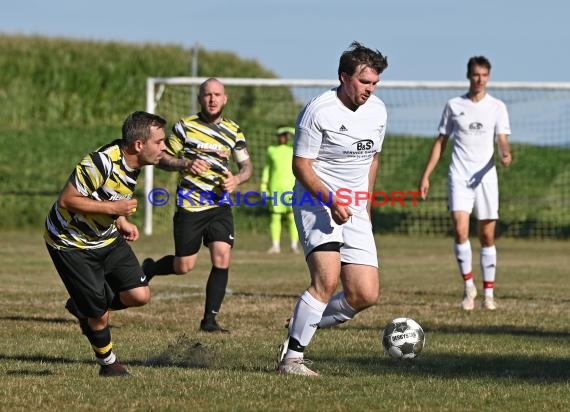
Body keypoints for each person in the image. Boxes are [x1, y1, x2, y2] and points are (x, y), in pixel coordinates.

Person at [277, 41, 389, 376]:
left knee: (364, 294)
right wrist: (330, 200)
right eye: (364, 82)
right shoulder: (318, 111)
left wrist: (364, 202)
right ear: (344, 77)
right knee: (326, 280)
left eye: (375, 83)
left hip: (354, 208)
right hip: (317, 201)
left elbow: (373, 158)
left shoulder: (379, 111)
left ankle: (301, 325)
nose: (370, 89)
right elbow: (301, 166)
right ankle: (292, 360)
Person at [44, 111, 167, 377]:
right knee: (99, 316)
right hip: (71, 242)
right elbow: (67, 199)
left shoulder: (133, 163)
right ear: (138, 145)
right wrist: (114, 208)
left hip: (106, 236)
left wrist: (120, 219)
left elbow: (110, 192)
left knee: (139, 295)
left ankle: (84, 306)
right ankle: (109, 364)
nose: (164, 147)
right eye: (159, 142)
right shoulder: (100, 163)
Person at [142, 77, 253, 333]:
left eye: (217, 94)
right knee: (184, 266)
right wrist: (185, 164)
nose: (212, 99)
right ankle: (150, 268)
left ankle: (209, 320)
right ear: (199, 98)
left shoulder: (234, 130)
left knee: (222, 257)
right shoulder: (184, 127)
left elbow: (246, 166)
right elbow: (161, 158)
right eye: (207, 94)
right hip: (190, 206)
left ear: (225, 99)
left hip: (219, 205)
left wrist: (237, 179)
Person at [418, 56, 512, 311]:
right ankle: (469, 288)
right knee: (461, 231)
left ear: (489, 77)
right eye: (475, 75)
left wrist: (505, 151)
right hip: (459, 176)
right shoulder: (453, 105)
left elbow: (502, 138)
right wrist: (426, 174)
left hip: (486, 178)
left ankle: (489, 294)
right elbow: (441, 142)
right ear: (468, 76)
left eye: (483, 75)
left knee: (487, 235)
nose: (479, 79)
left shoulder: (497, 107)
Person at [260, 126, 299, 254]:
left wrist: (289, 130)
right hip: (275, 188)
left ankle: (294, 245)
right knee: (275, 217)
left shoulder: (293, 148)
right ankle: (275, 245)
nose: (282, 137)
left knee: (292, 217)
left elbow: (298, 135)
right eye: (280, 135)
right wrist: (264, 186)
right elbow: (267, 169)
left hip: (291, 189)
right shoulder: (272, 150)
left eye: (285, 135)